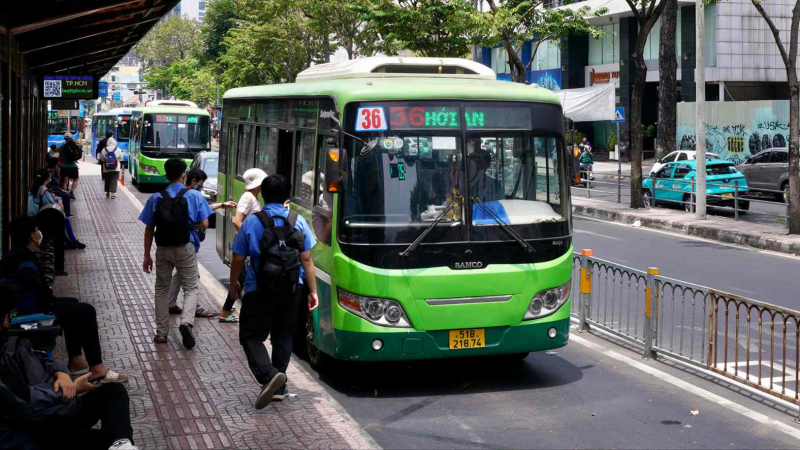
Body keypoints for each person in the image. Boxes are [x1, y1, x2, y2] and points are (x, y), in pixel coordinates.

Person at [0, 284, 138, 450]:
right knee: (106, 439)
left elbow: (42, 359)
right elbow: (26, 401)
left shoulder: (10, 342)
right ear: (6, 318)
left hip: (56, 410)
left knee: (114, 392)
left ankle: (121, 444)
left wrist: (62, 373)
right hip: (34, 429)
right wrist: (71, 388)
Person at [229, 174, 319, 410]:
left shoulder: (252, 221)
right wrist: (313, 291)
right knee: (284, 335)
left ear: (263, 194)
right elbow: (307, 258)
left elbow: (238, 257)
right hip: (292, 288)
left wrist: (233, 285)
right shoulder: (297, 220)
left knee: (251, 336)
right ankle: (279, 384)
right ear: (288, 196)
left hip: (259, 288)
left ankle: (270, 376)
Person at [1, 216, 126, 383]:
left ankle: (75, 360)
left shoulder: (17, 254)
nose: (40, 233)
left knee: (73, 304)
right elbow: (41, 298)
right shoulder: (25, 262)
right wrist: (53, 302)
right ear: (32, 235)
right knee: (86, 310)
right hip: (31, 314)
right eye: (37, 230)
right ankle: (97, 368)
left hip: (32, 306)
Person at [139, 158, 213, 348]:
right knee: (191, 288)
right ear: (184, 175)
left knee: (161, 289)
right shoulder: (194, 196)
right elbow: (205, 224)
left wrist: (147, 256)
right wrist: (187, 224)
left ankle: (161, 333)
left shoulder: (156, 198)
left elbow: (149, 228)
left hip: (162, 248)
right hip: (185, 247)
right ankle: (186, 322)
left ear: (165, 175)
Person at [167, 168, 236, 318]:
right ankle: (194, 310)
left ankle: (170, 304)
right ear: (193, 181)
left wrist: (222, 205)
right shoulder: (194, 194)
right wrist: (192, 225)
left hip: (169, 242)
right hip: (187, 243)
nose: (201, 186)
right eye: (200, 183)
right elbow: (204, 221)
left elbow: (205, 207)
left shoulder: (173, 193)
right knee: (193, 279)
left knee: (179, 275)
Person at [220, 168, 268, 323]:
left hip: (247, 243)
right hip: (246, 244)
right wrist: (249, 236)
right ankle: (226, 312)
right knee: (245, 278)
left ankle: (227, 311)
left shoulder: (253, 197)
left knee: (242, 277)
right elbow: (236, 220)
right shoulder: (248, 197)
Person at [29, 169, 85, 250]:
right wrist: (59, 202)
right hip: (42, 219)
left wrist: (58, 199)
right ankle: (72, 241)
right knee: (64, 219)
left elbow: (51, 198)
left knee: (64, 219)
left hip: (37, 216)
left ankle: (70, 241)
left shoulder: (37, 188)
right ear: (46, 179)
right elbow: (50, 203)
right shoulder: (43, 190)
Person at [58, 134, 81, 199]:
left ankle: (65, 194)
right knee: (75, 180)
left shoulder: (61, 147)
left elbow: (60, 157)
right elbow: (76, 156)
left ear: (64, 139)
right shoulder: (74, 146)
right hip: (73, 166)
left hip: (64, 167)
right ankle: (71, 192)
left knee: (65, 181)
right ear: (70, 138)